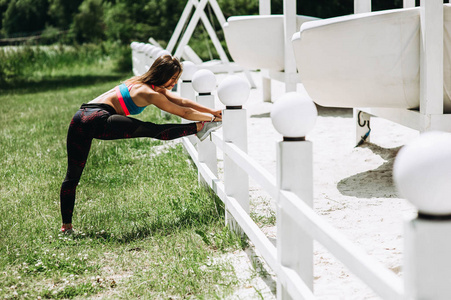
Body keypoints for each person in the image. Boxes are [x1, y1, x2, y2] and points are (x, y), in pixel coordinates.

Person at [60, 55, 222, 233]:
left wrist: (212, 111)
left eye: (177, 79)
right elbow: (183, 111)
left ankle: (66, 227)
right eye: (173, 78)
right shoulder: (149, 93)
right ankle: (199, 128)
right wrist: (212, 118)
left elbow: (181, 101)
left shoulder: (138, 82)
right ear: (162, 74)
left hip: (80, 116)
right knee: (153, 130)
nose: (174, 83)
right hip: (99, 117)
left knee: (72, 176)